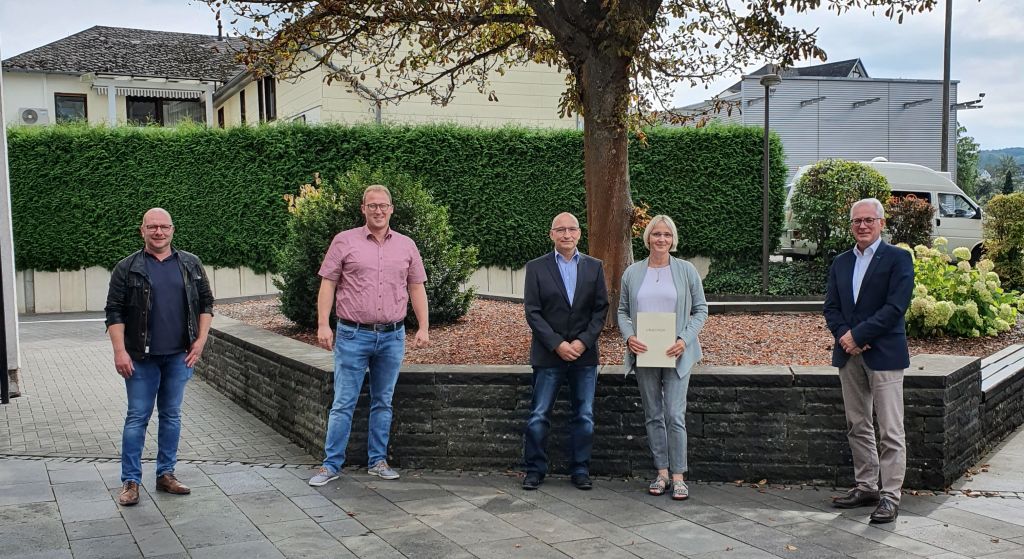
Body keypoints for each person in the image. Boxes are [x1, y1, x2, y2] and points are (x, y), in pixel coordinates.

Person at [308, 184, 429, 487]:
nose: (378, 210)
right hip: (352, 335)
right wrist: (323, 323)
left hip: (392, 336)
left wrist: (424, 327)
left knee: (383, 401)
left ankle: (377, 461)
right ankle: (330, 464)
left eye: (383, 205)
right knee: (344, 402)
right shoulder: (344, 241)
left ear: (391, 209)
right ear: (363, 209)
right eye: (372, 205)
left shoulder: (406, 245)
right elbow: (328, 284)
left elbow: (416, 287)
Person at [105, 208, 214, 507]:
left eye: (164, 227)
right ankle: (131, 481)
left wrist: (201, 341)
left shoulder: (190, 264)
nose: (158, 232)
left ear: (172, 230)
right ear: (142, 230)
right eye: (152, 227)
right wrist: (120, 351)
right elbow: (113, 311)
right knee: (137, 417)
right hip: (140, 358)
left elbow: (206, 303)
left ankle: (166, 474)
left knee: (171, 416)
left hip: (179, 357)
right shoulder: (127, 268)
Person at [824, 198, 914, 524]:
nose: (862, 226)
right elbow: (831, 307)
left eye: (869, 220)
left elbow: (895, 308)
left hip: (884, 354)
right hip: (849, 356)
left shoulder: (898, 259)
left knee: (890, 430)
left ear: (881, 222)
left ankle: (890, 496)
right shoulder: (841, 262)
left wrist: (858, 336)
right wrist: (845, 336)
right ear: (851, 225)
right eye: (857, 221)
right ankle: (866, 486)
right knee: (858, 425)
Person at [617, 215, 707, 501]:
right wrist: (629, 336)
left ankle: (679, 475)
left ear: (673, 239)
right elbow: (622, 310)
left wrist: (684, 340)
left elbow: (700, 310)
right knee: (653, 414)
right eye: (656, 234)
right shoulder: (632, 272)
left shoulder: (686, 270)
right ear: (647, 238)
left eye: (667, 235)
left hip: (676, 353)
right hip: (644, 353)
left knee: (674, 414)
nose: (661, 239)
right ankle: (662, 473)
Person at [521, 212, 609, 491]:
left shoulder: (595, 267)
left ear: (579, 234)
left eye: (571, 229)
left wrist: (583, 342)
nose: (566, 234)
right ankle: (535, 469)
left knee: (584, 415)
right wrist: (557, 344)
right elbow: (533, 312)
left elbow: (601, 309)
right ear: (551, 235)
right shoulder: (536, 267)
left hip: (585, 355)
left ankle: (580, 469)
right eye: (560, 230)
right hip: (548, 355)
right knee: (539, 415)